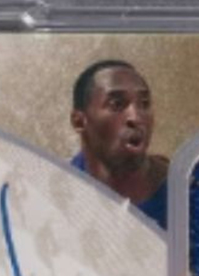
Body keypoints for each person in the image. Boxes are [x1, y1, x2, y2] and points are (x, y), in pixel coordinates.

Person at [70, 60, 168, 229]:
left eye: (144, 104)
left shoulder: (186, 194)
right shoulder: (56, 189)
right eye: (116, 104)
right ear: (79, 121)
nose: (136, 117)